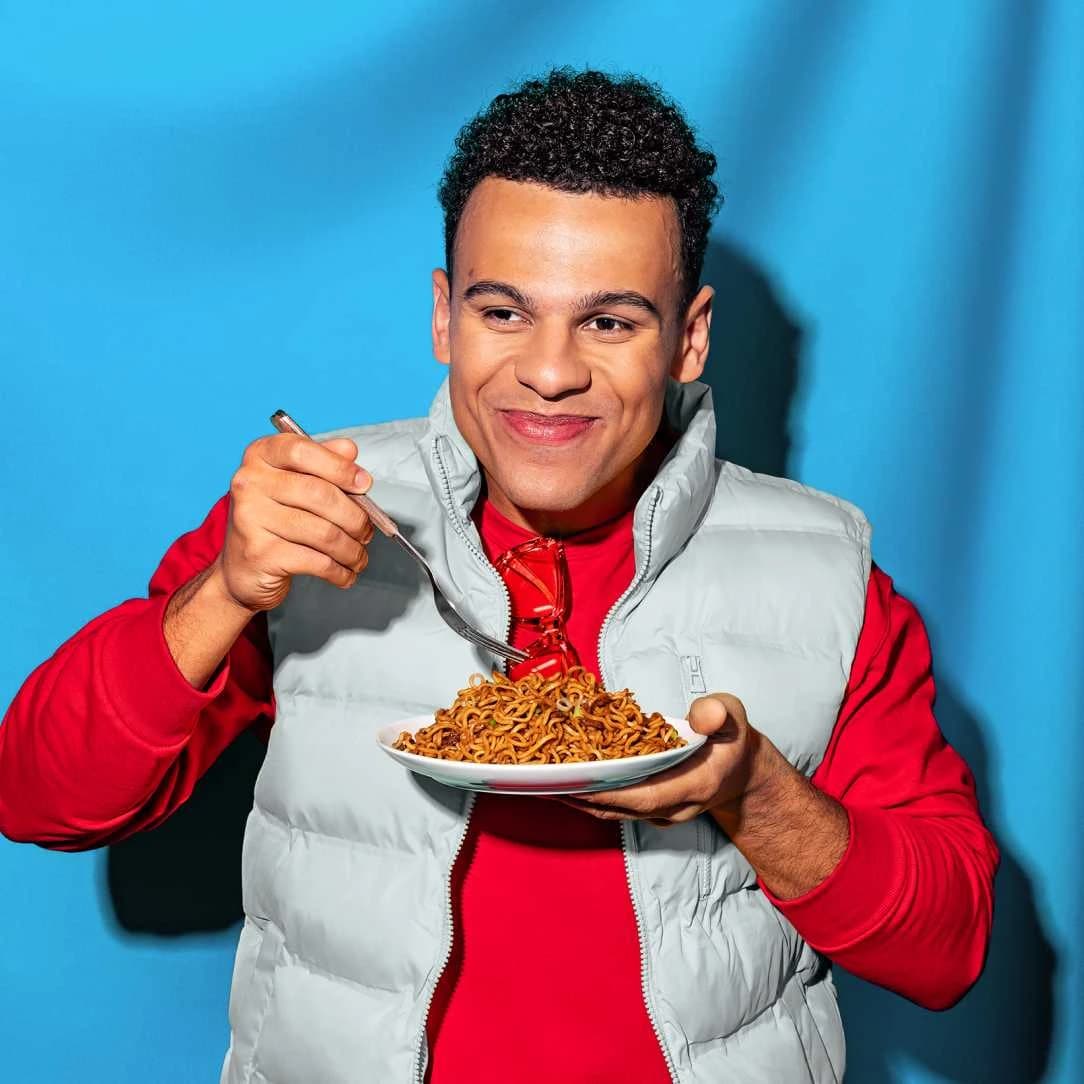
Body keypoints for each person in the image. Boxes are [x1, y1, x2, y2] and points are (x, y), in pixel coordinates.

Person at [0, 69, 998, 1083]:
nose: (549, 371)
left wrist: (753, 794)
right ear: (444, 317)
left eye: (609, 321)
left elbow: (946, 948)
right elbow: (40, 797)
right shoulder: (313, 511)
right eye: (504, 312)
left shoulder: (824, 568)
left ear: (688, 338)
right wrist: (222, 591)